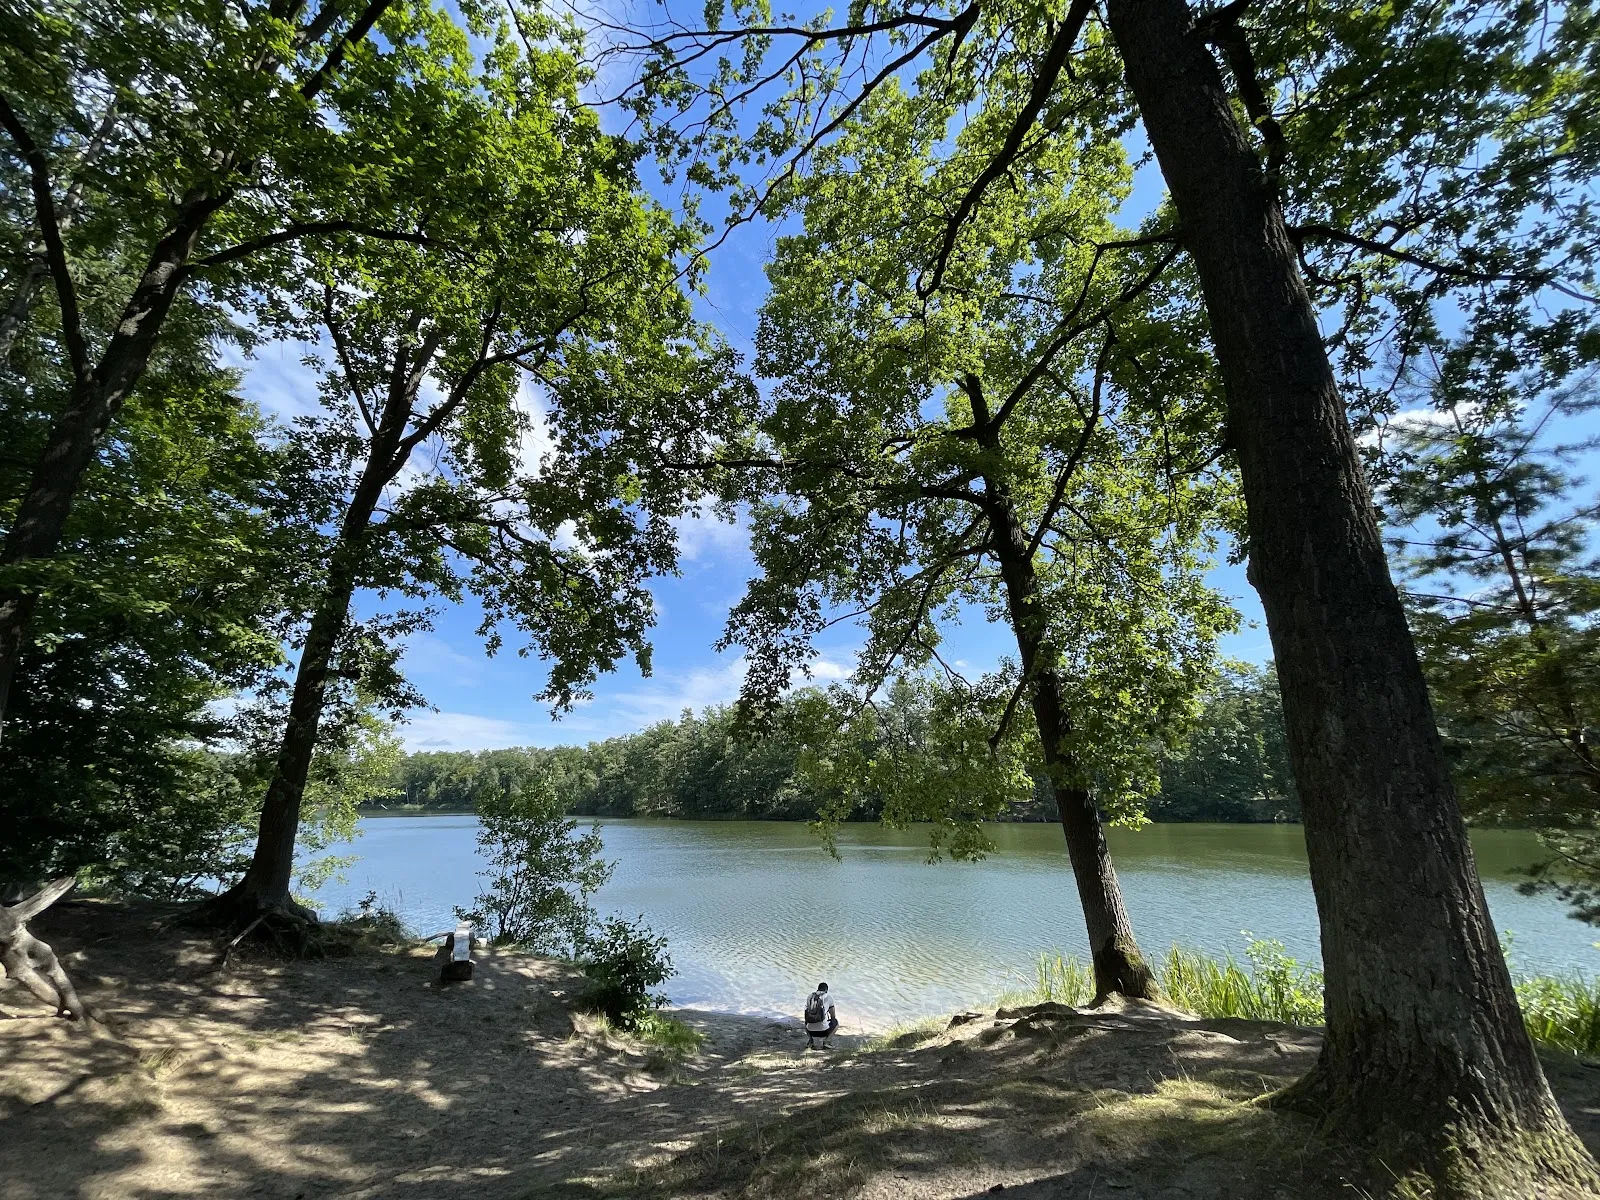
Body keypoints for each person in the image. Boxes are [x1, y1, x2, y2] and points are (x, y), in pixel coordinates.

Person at [803, 981, 838, 1048]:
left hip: (810, 1031)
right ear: (826, 990)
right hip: (823, 1031)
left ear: (818, 989)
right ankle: (826, 1042)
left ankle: (810, 1040)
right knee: (835, 1022)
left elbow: (806, 1013)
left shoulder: (810, 997)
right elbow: (833, 1015)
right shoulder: (828, 997)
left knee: (806, 1021)